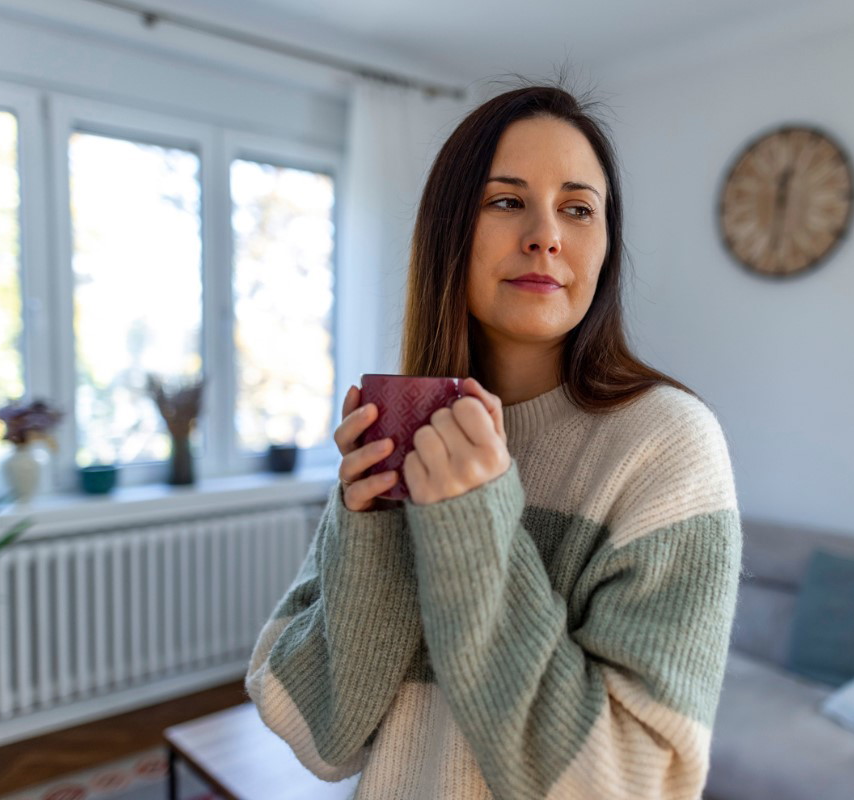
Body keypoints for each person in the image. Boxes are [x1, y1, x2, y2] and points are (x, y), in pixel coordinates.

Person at [244, 75, 743, 800]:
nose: (545, 235)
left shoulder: (665, 444)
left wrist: (473, 524)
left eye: (578, 209)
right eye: (507, 201)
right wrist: (369, 530)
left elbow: (638, 783)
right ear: (449, 232)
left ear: (606, 246)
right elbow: (318, 735)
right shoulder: (405, 429)